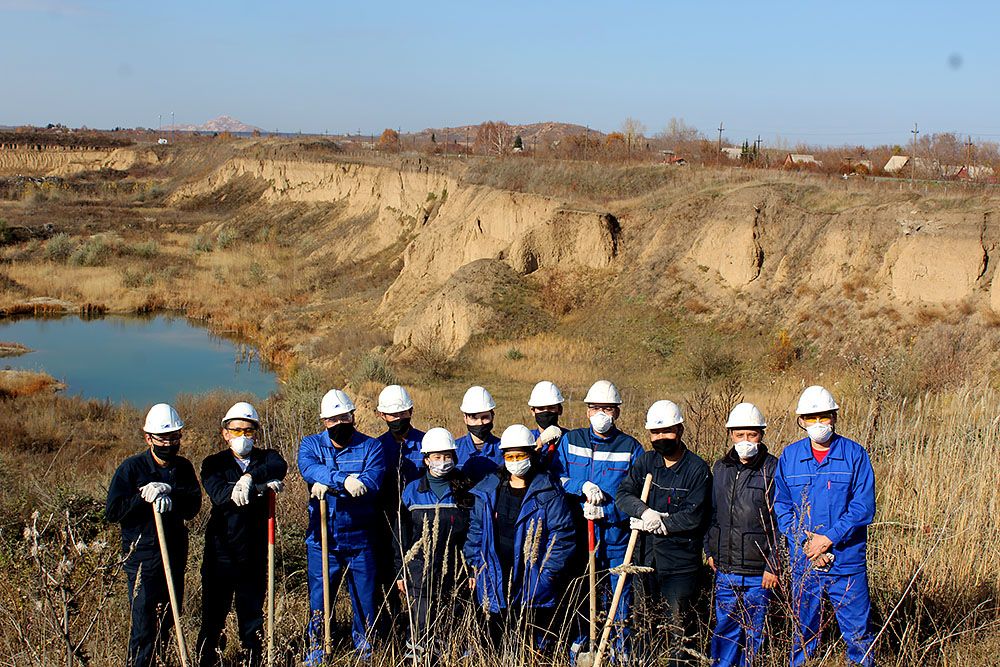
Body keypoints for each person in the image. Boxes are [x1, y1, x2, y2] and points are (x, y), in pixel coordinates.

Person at [774, 386, 876, 667]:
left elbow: (862, 507)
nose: (818, 424)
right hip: (804, 562)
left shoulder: (854, 454)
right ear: (801, 421)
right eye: (811, 418)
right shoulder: (790, 457)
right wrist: (806, 543)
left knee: (858, 635)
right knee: (803, 636)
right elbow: (781, 505)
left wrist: (828, 538)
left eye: (824, 417)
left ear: (834, 417)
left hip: (846, 563)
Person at [550, 380, 644, 662]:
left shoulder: (630, 447)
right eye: (595, 408)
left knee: (619, 598)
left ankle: (618, 651)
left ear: (617, 412)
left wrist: (610, 512)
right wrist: (582, 487)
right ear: (587, 411)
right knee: (581, 592)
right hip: (579, 533)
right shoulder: (572, 441)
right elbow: (558, 477)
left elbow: (637, 494)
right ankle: (581, 649)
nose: (601, 414)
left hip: (616, 536)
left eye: (607, 409)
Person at [106, 403, 202, 667]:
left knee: (169, 619)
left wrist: (170, 491)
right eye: (163, 438)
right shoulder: (131, 469)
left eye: (174, 437)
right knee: (144, 621)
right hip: (142, 556)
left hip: (173, 552)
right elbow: (113, 511)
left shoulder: (183, 467)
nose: (169, 443)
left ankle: (161, 661)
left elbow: (193, 505)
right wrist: (141, 497)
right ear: (149, 438)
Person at [464, 424, 576, 651]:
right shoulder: (488, 489)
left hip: (532, 577)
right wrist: (476, 566)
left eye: (521, 455)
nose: (515, 461)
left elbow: (562, 535)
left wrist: (547, 574)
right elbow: (476, 530)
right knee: (494, 639)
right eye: (510, 456)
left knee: (531, 642)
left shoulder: (547, 492)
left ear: (532, 456)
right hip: (495, 574)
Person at [616, 400, 711, 667]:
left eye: (667, 431)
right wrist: (644, 512)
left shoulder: (696, 469)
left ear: (679, 430)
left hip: (680, 563)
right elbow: (624, 494)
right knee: (643, 621)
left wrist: (664, 523)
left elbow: (695, 515)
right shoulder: (646, 461)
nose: (661, 438)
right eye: (655, 433)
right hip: (645, 558)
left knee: (678, 626)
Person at [196, 402, 288, 667]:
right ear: (225, 433)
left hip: (255, 553)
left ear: (256, 433)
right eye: (236, 431)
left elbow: (278, 466)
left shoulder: (266, 457)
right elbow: (220, 495)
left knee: (251, 618)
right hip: (220, 553)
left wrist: (249, 478)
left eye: (248, 431)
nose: (242, 437)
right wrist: (259, 487)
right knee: (213, 618)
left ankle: (253, 660)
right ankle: (208, 660)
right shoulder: (214, 463)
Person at [298, 389, 386, 664]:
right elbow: (309, 469)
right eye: (332, 420)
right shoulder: (310, 444)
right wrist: (345, 480)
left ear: (353, 416)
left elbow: (370, 483)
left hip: (361, 537)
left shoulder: (372, 447)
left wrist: (332, 484)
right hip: (323, 537)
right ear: (324, 421)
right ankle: (319, 648)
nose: (339, 424)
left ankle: (365, 649)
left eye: (344, 417)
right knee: (320, 598)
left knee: (365, 598)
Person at [704, 403, 779, 667]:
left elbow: (781, 523)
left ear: (761, 435)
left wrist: (773, 564)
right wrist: (711, 550)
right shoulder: (721, 468)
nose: (745, 441)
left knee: (754, 630)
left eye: (752, 435)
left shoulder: (773, 469)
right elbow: (713, 513)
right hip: (726, 568)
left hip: (760, 572)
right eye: (740, 435)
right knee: (725, 626)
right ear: (731, 435)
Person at [394, 427, 474, 660]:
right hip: (420, 569)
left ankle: (455, 657)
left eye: (447, 456)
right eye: (436, 457)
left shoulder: (465, 490)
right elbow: (401, 536)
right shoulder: (412, 491)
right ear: (426, 459)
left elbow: (473, 533)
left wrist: (471, 568)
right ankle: (418, 659)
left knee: (454, 618)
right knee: (421, 621)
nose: (442, 462)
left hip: (456, 569)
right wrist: (401, 570)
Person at [373, 385, 426, 638]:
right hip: (384, 523)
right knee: (387, 577)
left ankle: (419, 630)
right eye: (392, 415)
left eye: (402, 414)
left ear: (411, 411)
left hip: (419, 523)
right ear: (382, 416)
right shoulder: (376, 448)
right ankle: (390, 630)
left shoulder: (427, 443)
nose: (398, 420)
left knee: (419, 577)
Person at [454, 385, 503, 485]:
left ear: (492, 416)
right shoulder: (454, 450)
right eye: (474, 418)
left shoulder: (503, 449)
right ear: (465, 418)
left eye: (485, 417)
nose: (480, 423)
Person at [527, 380, 566, 469]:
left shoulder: (570, 438)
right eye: (541, 409)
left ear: (560, 410)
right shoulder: (527, 439)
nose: (546, 412)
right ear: (533, 411)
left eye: (551, 408)